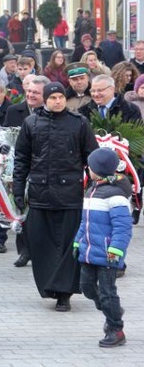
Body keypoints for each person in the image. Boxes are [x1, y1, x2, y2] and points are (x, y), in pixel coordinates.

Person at [13, 82, 98, 312]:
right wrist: (18, 190)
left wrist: (94, 189)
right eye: (53, 98)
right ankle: (49, 286)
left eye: (61, 97)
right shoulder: (31, 123)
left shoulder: (79, 123)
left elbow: (92, 157)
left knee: (67, 244)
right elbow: (21, 159)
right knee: (42, 245)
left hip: (70, 194)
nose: (57, 101)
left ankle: (64, 292)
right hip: (40, 193)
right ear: (45, 100)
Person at [74, 147, 132, 348]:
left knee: (108, 293)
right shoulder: (91, 191)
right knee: (87, 287)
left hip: (108, 255)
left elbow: (123, 227)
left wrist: (115, 250)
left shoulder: (116, 196)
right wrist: (77, 241)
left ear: (97, 170)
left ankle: (116, 328)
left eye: (90, 166)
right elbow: (85, 222)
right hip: (89, 252)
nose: (87, 169)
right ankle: (112, 309)